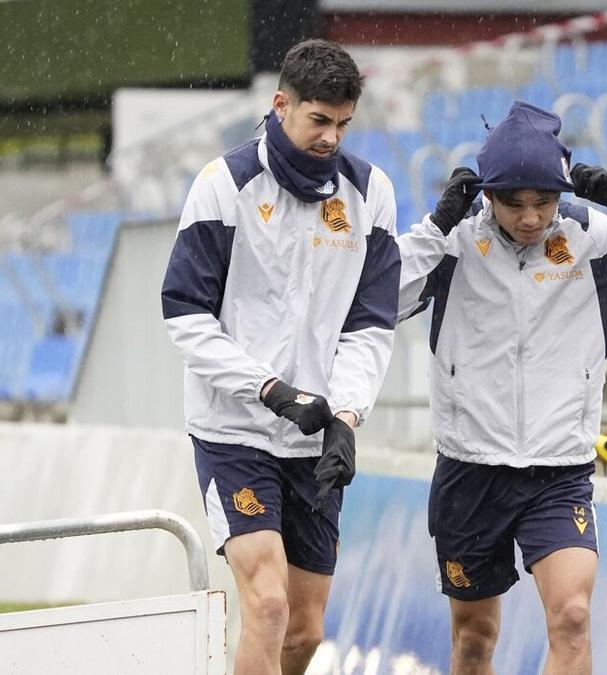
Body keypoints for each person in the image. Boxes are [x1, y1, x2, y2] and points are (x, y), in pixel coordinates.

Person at [401, 101, 607, 674]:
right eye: (515, 203)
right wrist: (435, 227)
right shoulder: (454, 244)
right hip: (470, 470)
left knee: (573, 616)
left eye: (545, 202)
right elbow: (382, 304)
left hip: (558, 472)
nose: (531, 217)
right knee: (475, 639)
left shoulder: (595, 239)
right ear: (488, 195)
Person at [162, 39, 404, 675]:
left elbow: (370, 323)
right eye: (318, 120)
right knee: (267, 607)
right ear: (280, 105)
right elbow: (184, 316)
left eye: (343, 124)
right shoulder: (225, 185)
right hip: (233, 430)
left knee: (304, 631)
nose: (331, 137)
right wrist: (269, 389)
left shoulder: (371, 194)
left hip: (315, 439)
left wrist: (346, 419)